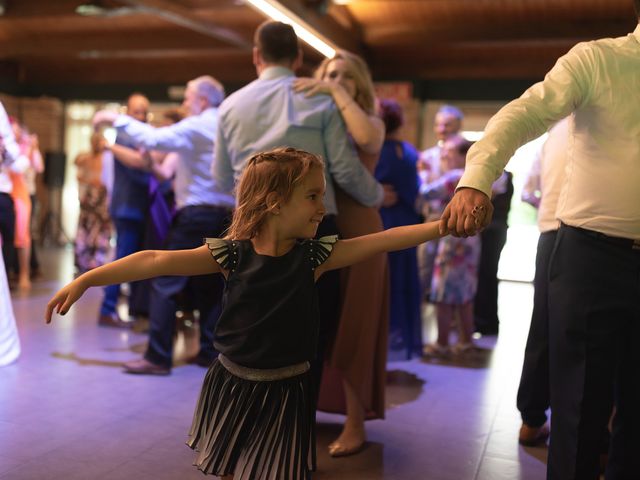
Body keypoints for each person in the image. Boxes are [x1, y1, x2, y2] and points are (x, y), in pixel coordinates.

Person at [46, 147, 443, 480]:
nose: (322, 208)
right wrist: (87, 280)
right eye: (312, 196)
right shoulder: (232, 254)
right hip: (233, 382)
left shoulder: (313, 257)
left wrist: (442, 227)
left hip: (289, 388)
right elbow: (155, 259)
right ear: (275, 202)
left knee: (278, 470)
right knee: (233, 468)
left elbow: (385, 239)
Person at [441, 4, 640, 477]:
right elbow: (523, 113)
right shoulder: (598, 59)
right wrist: (477, 177)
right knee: (580, 410)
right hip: (594, 255)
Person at [213, 21, 384, 457]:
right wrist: (380, 197)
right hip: (310, 231)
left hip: (248, 231)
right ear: (298, 60)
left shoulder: (231, 105)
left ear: (256, 55)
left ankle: (247, 433)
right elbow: (343, 171)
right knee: (307, 334)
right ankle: (293, 438)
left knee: (250, 330)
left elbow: (220, 179)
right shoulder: (314, 100)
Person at [94, 76, 233, 375]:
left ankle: (157, 357)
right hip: (223, 216)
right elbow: (164, 169)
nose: (184, 103)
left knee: (166, 282)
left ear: (203, 100)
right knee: (210, 284)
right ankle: (208, 352)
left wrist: (112, 118)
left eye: (188, 97)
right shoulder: (227, 124)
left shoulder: (200, 124)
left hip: (196, 215)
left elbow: (154, 140)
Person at [295, 49, 389, 457]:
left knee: (355, 327)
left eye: (344, 75)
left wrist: (334, 91)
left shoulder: (370, 119)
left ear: (358, 83)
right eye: (329, 73)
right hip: (323, 227)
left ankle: (356, 424)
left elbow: (367, 140)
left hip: (361, 229)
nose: (335, 79)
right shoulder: (321, 115)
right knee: (318, 326)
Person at [516, 118, 568, 446]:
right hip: (597, 236)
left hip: (550, 232)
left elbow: (528, 191)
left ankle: (531, 421)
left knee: (543, 326)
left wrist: (548, 203)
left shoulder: (554, 132)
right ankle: (595, 434)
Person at [96, 93, 151, 328]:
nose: (140, 116)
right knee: (123, 260)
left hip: (136, 207)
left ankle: (133, 309)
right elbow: (140, 163)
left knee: (135, 260)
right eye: (136, 111)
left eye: (144, 112)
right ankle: (108, 309)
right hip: (128, 207)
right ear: (127, 112)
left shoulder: (138, 136)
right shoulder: (126, 135)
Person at [421, 136, 480, 356]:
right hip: (470, 242)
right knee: (464, 295)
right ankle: (466, 341)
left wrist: (424, 173)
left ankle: (442, 344)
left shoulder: (455, 176)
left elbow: (425, 193)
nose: (444, 155)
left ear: (465, 155)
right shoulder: (475, 178)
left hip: (453, 242)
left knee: (443, 293)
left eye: (450, 151)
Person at [374, 98, 421, 358]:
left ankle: (383, 343)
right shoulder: (409, 151)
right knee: (403, 283)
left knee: (385, 284)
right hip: (407, 223)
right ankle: (400, 341)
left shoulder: (376, 151)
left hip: (384, 222)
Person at [417, 105, 464, 298]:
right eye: (438, 125)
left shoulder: (465, 154)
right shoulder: (427, 157)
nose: (442, 129)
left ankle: (449, 320)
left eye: (447, 124)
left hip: (457, 221)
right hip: (431, 218)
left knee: (451, 275)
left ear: (458, 126)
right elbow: (421, 193)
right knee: (423, 267)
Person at [74, 131, 112, 273]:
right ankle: (84, 260)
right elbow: (78, 170)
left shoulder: (108, 159)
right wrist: (90, 182)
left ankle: (98, 260)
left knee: (101, 229)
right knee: (86, 228)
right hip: (89, 200)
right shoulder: (86, 158)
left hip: (102, 200)